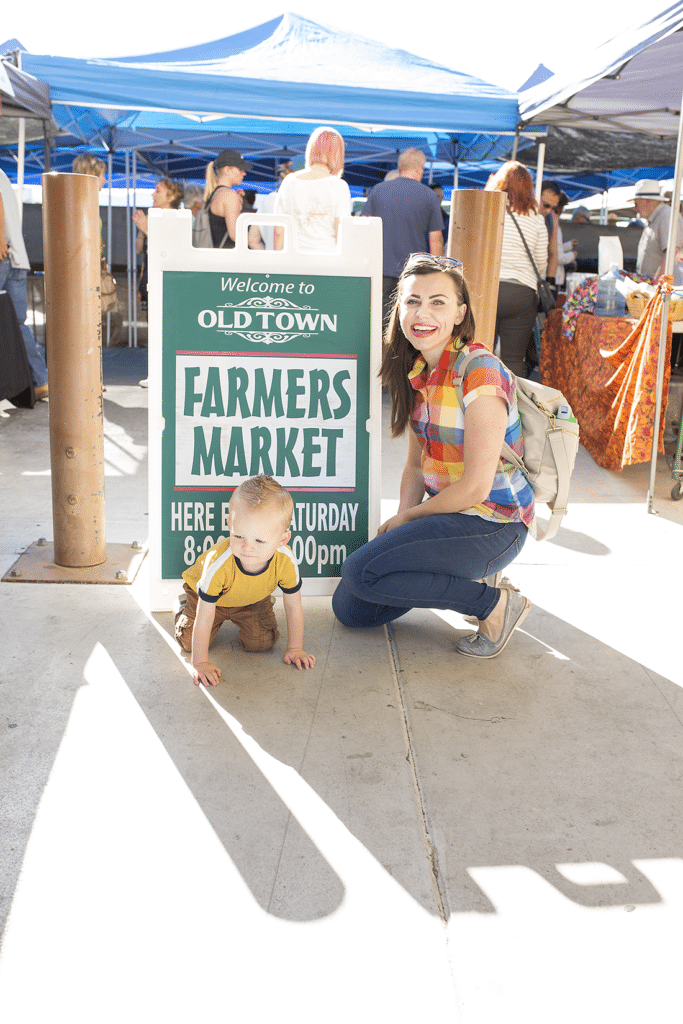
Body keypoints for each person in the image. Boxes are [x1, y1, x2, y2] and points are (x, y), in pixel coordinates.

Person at [332, 253, 534, 659]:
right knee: (352, 609)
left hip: (494, 522)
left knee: (359, 571)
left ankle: (492, 606)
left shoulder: (480, 371)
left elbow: (476, 487)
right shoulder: (417, 373)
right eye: (412, 301)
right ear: (400, 309)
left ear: (460, 313)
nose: (422, 313)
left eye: (438, 302)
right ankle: (477, 587)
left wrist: (407, 519)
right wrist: (399, 532)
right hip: (447, 515)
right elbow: (413, 466)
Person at [175, 474, 316, 685]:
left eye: (259, 540)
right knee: (188, 642)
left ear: (282, 539)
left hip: (251, 599)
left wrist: (295, 648)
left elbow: (294, 607)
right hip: (208, 600)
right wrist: (200, 662)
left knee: (262, 642)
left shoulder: (285, 560)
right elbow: (205, 616)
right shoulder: (219, 563)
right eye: (238, 536)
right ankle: (185, 606)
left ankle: (262, 605)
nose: (248, 547)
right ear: (229, 524)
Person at [362, 148, 444, 328]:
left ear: (400, 168)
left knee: (379, 325)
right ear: (420, 169)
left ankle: (380, 356)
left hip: (379, 271)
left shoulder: (377, 191)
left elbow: (362, 230)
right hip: (414, 274)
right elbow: (436, 241)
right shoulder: (429, 196)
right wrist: (439, 274)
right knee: (408, 326)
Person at [485, 162, 548, 377]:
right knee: (514, 359)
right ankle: (511, 408)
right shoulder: (537, 220)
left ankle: (477, 406)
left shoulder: (488, 211)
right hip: (522, 294)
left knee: (480, 354)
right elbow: (541, 263)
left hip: (488, 290)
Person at [0, 168, 49, 400]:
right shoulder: (2, 174)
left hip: (3, 253)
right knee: (18, 324)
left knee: (16, 323)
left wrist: (0, 238)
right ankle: (40, 379)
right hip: (16, 256)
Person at [273, 126, 352, 253]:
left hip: (293, 259)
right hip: (327, 259)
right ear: (338, 154)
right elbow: (342, 232)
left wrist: (277, 261)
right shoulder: (339, 186)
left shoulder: (289, 181)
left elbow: (278, 231)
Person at [632, 179, 683, 282]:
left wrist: (657, 286)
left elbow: (671, 253)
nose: (636, 208)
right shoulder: (656, 217)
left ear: (648, 201)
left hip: (663, 289)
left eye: (636, 203)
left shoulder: (666, 216)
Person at [202, 149, 252, 249]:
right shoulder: (229, 195)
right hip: (228, 259)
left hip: (217, 257)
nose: (244, 173)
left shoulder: (215, 194)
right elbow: (236, 236)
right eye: (240, 169)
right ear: (227, 170)